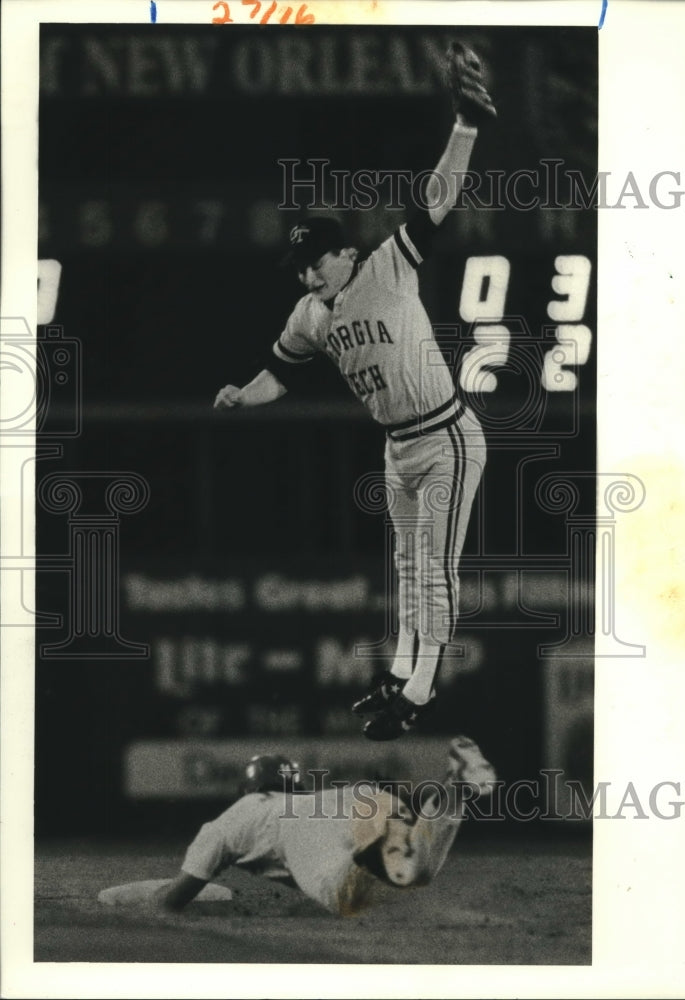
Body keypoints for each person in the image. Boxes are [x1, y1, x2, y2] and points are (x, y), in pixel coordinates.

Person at [214, 45, 497, 740]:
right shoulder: (309, 314)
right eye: (299, 266)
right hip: (398, 445)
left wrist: (464, 127)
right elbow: (280, 371)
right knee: (404, 564)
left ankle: (422, 689)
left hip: (447, 434)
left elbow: (436, 201)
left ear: (342, 254)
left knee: (433, 567)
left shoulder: (383, 270)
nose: (307, 275)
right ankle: (402, 672)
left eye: (315, 261)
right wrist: (243, 396)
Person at [98, 738, 497, 917]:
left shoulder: (233, 817)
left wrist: (120, 901)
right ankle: (452, 791)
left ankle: (450, 794)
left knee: (358, 896)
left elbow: (172, 900)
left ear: (249, 787)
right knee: (415, 871)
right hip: (361, 803)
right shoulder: (313, 796)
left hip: (319, 845)